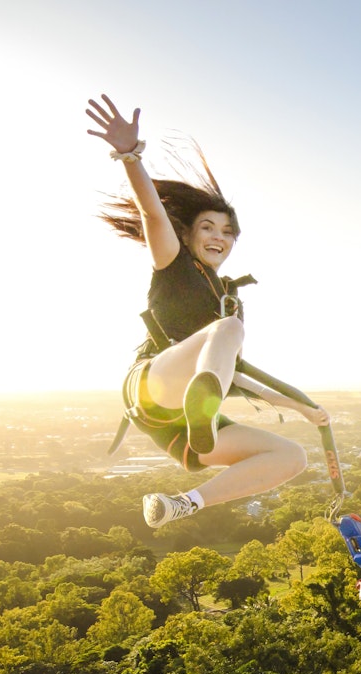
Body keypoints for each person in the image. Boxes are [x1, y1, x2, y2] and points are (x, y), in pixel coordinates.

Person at [86, 93, 330, 528]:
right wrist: (130, 157)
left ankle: (182, 504)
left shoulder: (229, 300)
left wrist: (300, 409)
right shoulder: (174, 263)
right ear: (189, 234)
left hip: (181, 427)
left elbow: (233, 376)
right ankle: (202, 407)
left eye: (228, 231)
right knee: (227, 330)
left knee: (292, 456)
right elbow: (153, 214)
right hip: (154, 386)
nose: (219, 237)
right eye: (208, 227)